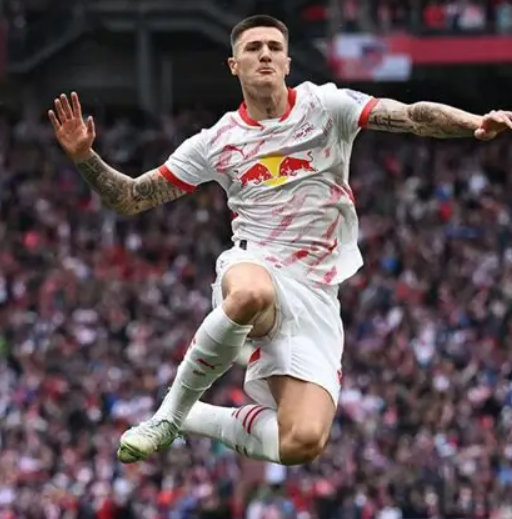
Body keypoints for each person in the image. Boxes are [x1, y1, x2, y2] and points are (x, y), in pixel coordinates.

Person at [49, 14, 512, 467]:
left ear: (288, 61)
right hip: (255, 263)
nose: (265, 55)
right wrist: (86, 157)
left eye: (274, 47)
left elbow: (410, 116)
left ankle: (195, 417)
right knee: (251, 292)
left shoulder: (327, 106)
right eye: (253, 48)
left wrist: (474, 121)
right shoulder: (217, 142)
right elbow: (132, 198)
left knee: (301, 443)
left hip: (316, 293)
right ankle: (168, 415)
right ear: (234, 65)